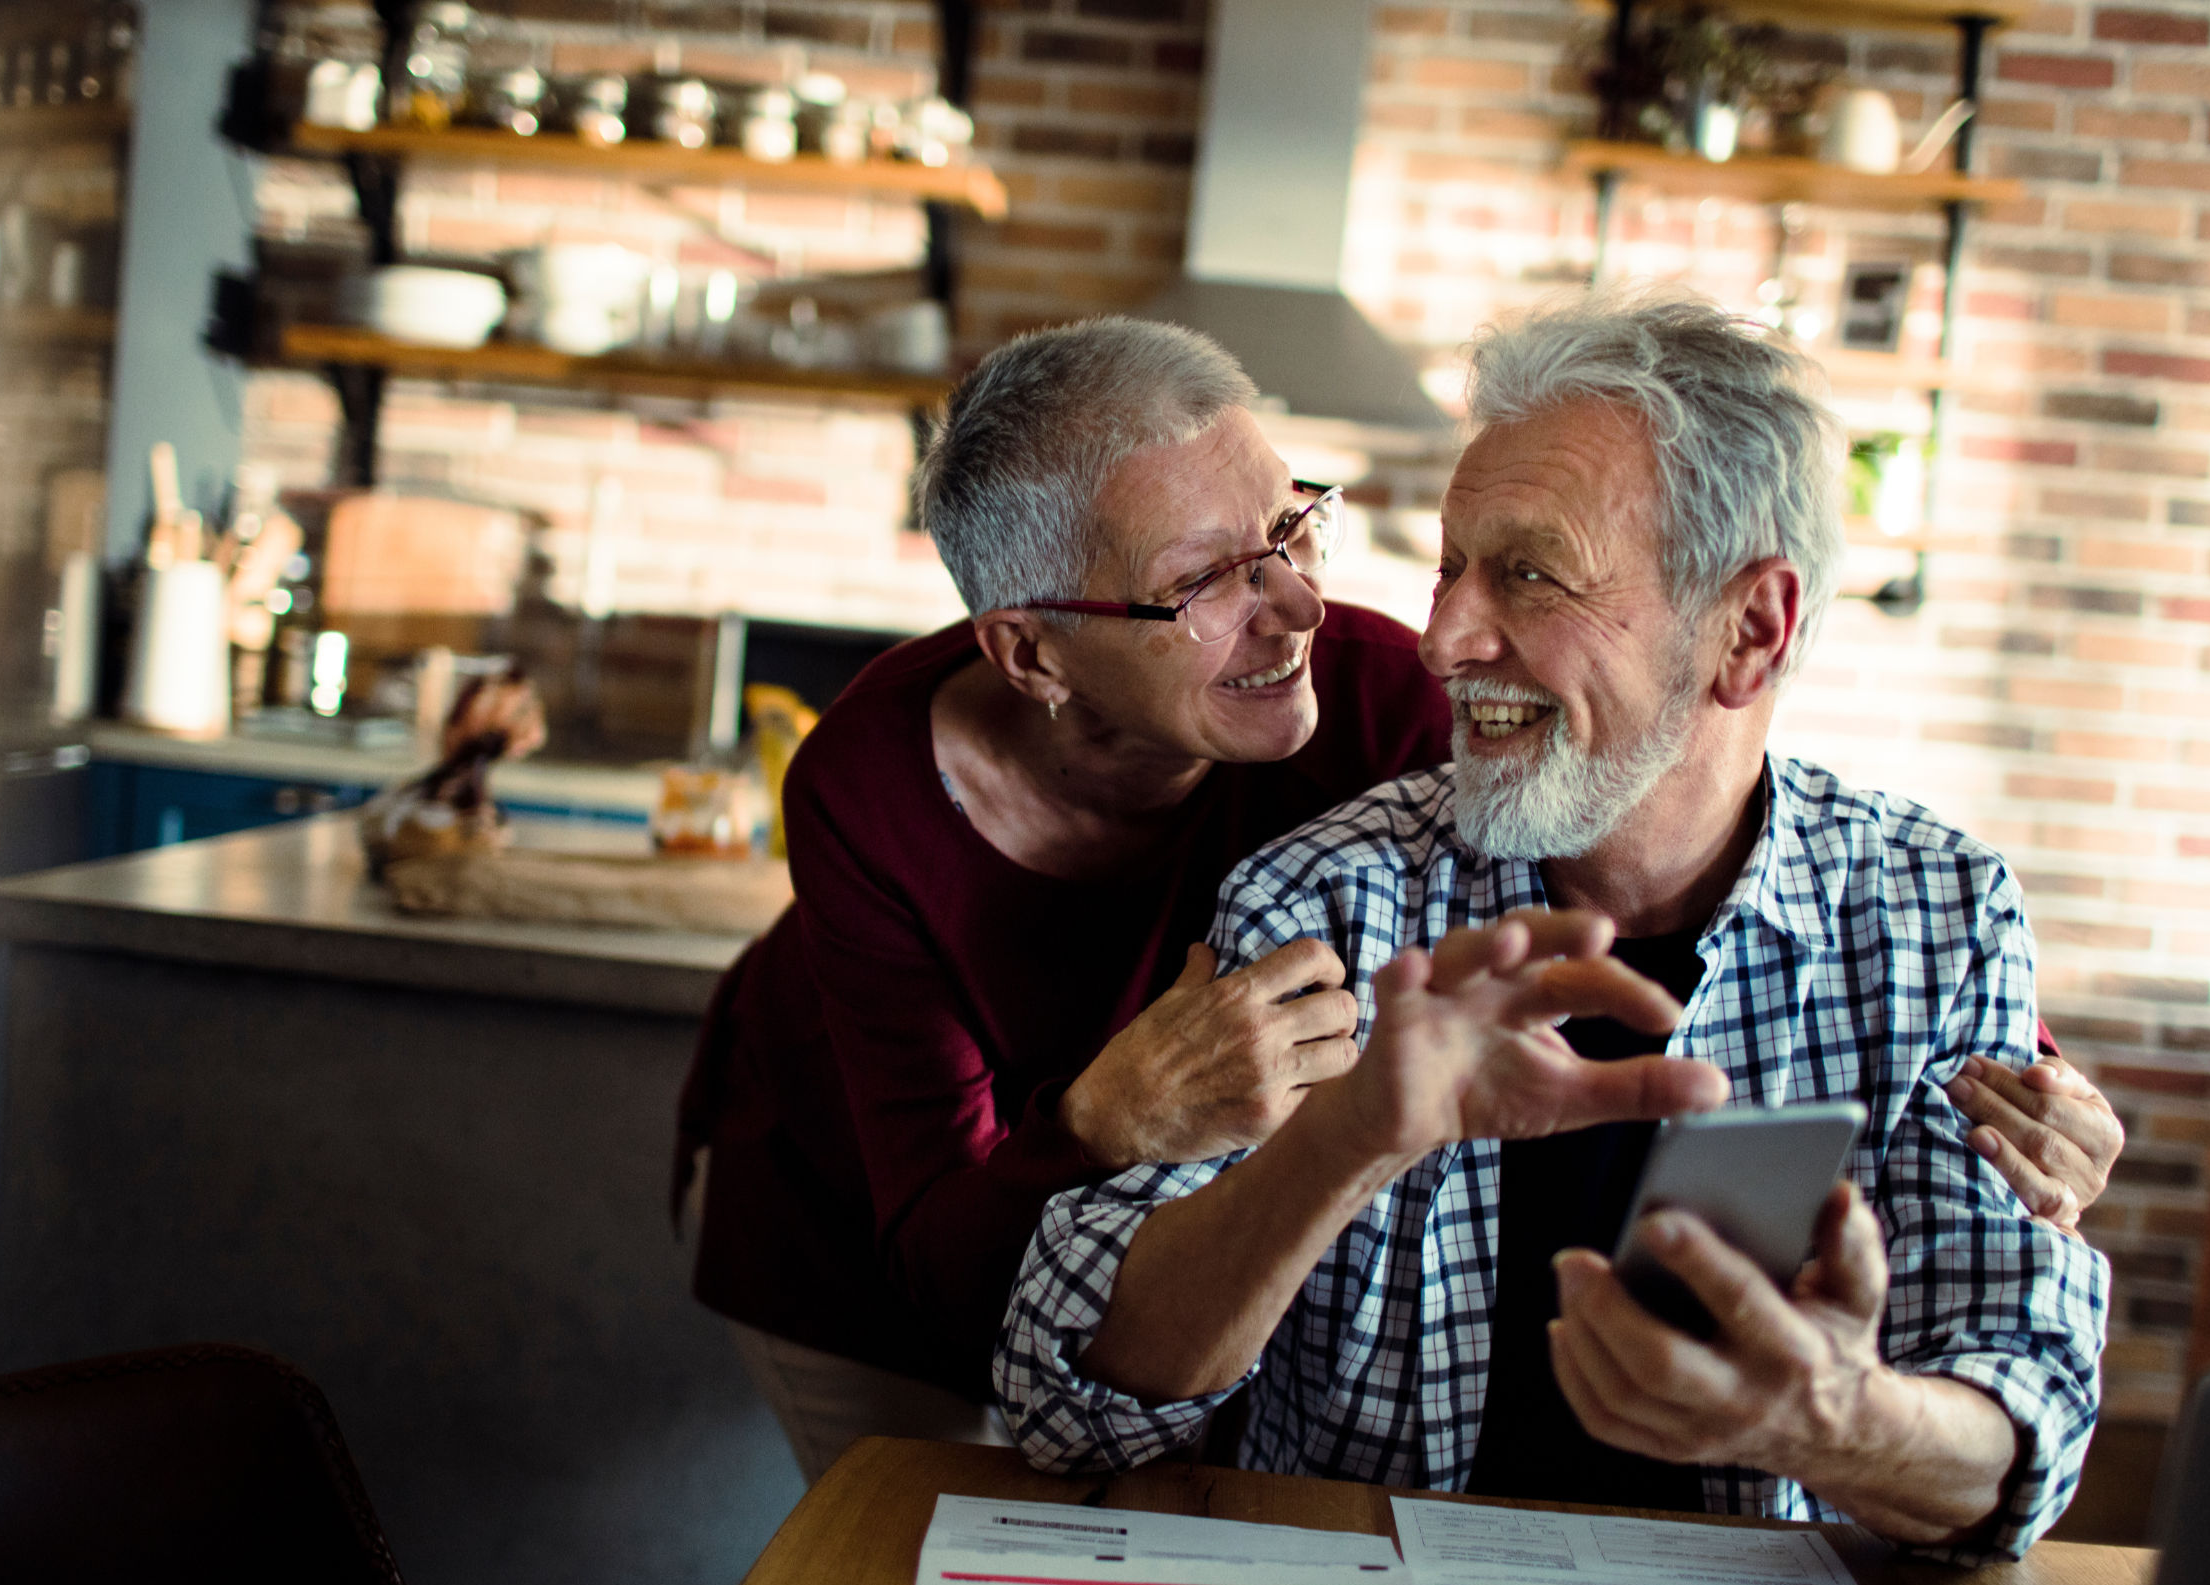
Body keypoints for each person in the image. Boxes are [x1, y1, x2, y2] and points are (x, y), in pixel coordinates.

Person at [673, 315, 2124, 1486]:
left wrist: (2025, 1073)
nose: (1417, 635)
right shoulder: (883, 788)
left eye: (1293, 533)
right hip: (863, 1233)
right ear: (1033, 656)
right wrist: (1133, 1124)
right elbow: (1014, 1320)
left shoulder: (1362, 689)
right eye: (1204, 584)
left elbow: (1745, 849)